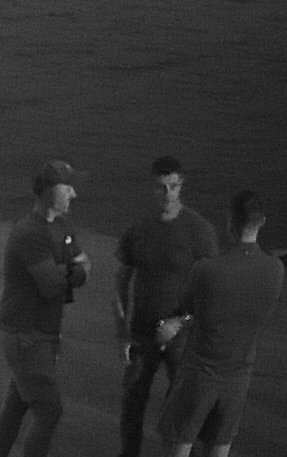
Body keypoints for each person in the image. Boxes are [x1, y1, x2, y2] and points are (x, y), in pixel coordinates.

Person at [153, 190, 285, 457]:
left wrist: (176, 324)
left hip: (200, 375)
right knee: (219, 448)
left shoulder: (207, 269)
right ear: (261, 222)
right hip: (238, 379)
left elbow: (189, 308)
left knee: (178, 445)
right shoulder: (275, 269)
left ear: (230, 222)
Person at [113, 156, 220, 457]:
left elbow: (211, 288)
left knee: (184, 409)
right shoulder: (139, 229)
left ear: (181, 186)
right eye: (161, 187)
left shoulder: (199, 230)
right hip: (141, 333)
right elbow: (121, 280)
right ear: (153, 188)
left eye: (173, 186)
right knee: (132, 403)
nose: (168, 194)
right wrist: (122, 331)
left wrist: (180, 321)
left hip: (182, 337)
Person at [0, 158, 90, 457]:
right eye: (67, 187)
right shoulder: (29, 232)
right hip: (25, 335)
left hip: (41, 333)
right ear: (47, 190)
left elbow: (85, 267)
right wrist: (73, 271)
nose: (74, 194)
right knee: (49, 409)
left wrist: (68, 271)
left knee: (17, 402)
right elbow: (51, 285)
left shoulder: (63, 224)